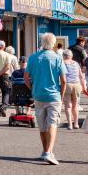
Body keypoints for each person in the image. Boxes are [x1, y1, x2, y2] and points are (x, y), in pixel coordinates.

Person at [25, 33, 67, 165]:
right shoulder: (57, 58)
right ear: (53, 44)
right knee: (52, 124)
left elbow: (26, 78)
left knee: (42, 126)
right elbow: (64, 80)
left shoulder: (33, 58)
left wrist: (32, 88)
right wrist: (61, 95)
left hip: (38, 95)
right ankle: (49, 153)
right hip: (54, 95)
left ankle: (45, 151)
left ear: (42, 43)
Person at [61, 50, 86, 129]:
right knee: (75, 105)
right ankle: (76, 123)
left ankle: (70, 124)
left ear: (64, 56)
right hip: (76, 84)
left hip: (67, 85)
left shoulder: (62, 63)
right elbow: (81, 76)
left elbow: (61, 75)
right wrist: (84, 86)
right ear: (71, 56)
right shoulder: (76, 63)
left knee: (68, 106)